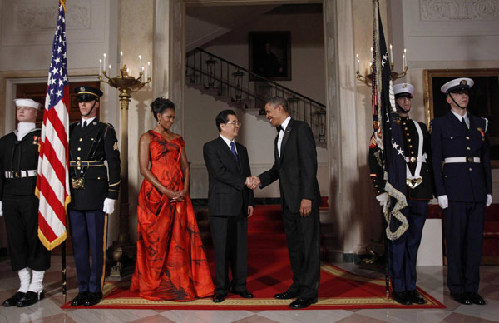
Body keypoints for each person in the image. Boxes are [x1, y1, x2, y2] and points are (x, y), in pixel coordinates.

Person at [131, 97, 214, 301]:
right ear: (158, 116)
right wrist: (165, 191)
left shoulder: (177, 138)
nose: (171, 121)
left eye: (173, 118)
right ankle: (154, 281)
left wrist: (185, 189)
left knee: (180, 239)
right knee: (156, 241)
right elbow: (144, 169)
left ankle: (178, 283)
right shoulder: (146, 137)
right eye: (168, 117)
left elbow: (185, 166)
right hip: (155, 195)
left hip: (178, 194)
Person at [249, 97, 320, 309]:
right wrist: (260, 179)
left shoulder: (301, 129)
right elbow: (278, 169)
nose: (267, 116)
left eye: (269, 111)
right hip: (288, 201)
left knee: (308, 247)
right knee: (295, 247)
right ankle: (298, 286)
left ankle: (309, 293)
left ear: (280, 108)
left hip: (303, 200)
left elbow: (310, 164)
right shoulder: (277, 138)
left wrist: (307, 197)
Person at [368, 83, 433, 305]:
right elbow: (374, 160)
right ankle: (399, 288)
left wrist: (432, 190)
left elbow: (429, 161)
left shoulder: (421, 128)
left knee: (414, 242)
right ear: (394, 102)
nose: (405, 103)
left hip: (419, 194)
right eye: (401, 99)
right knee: (397, 242)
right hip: (398, 193)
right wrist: (380, 192)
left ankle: (411, 287)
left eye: (408, 99)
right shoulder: (385, 130)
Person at [431, 77, 492, 306]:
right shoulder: (439, 124)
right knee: (456, 241)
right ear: (449, 99)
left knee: (474, 243)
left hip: (476, 190)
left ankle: (471, 288)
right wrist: (441, 193)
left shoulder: (480, 123)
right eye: (458, 93)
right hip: (454, 191)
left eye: (466, 93)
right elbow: (436, 160)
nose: (464, 96)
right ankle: (457, 288)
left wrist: (488, 190)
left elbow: (484, 159)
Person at [68, 86, 121, 306]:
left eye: (88, 101)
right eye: (80, 100)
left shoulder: (105, 130)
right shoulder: (70, 129)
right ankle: (82, 288)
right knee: (79, 243)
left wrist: (112, 194)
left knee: (96, 243)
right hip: (75, 193)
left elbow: (114, 163)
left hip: (97, 193)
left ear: (96, 104)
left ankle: (94, 288)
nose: (83, 104)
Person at [0, 98, 51, 307]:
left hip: (33, 192)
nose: (21, 111)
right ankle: (23, 286)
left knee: (35, 238)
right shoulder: (5, 140)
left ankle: (36, 286)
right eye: (19, 108)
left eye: (26, 109)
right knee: (16, 239)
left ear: (35, 113)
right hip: (10, 192)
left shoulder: (43, 138)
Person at [203, 110, 255, 303]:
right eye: (233, 122)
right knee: (222, 250)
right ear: (222, 126)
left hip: (241, 205)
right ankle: (221, 289)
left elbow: (247, 173)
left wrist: (250, 201)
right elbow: (219, 173)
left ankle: (240, 286)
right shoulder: (211, 147)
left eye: (238, 122)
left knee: (240, 249)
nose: (237, 125)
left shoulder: (242, 149)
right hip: (221, 205)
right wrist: (244, 182)